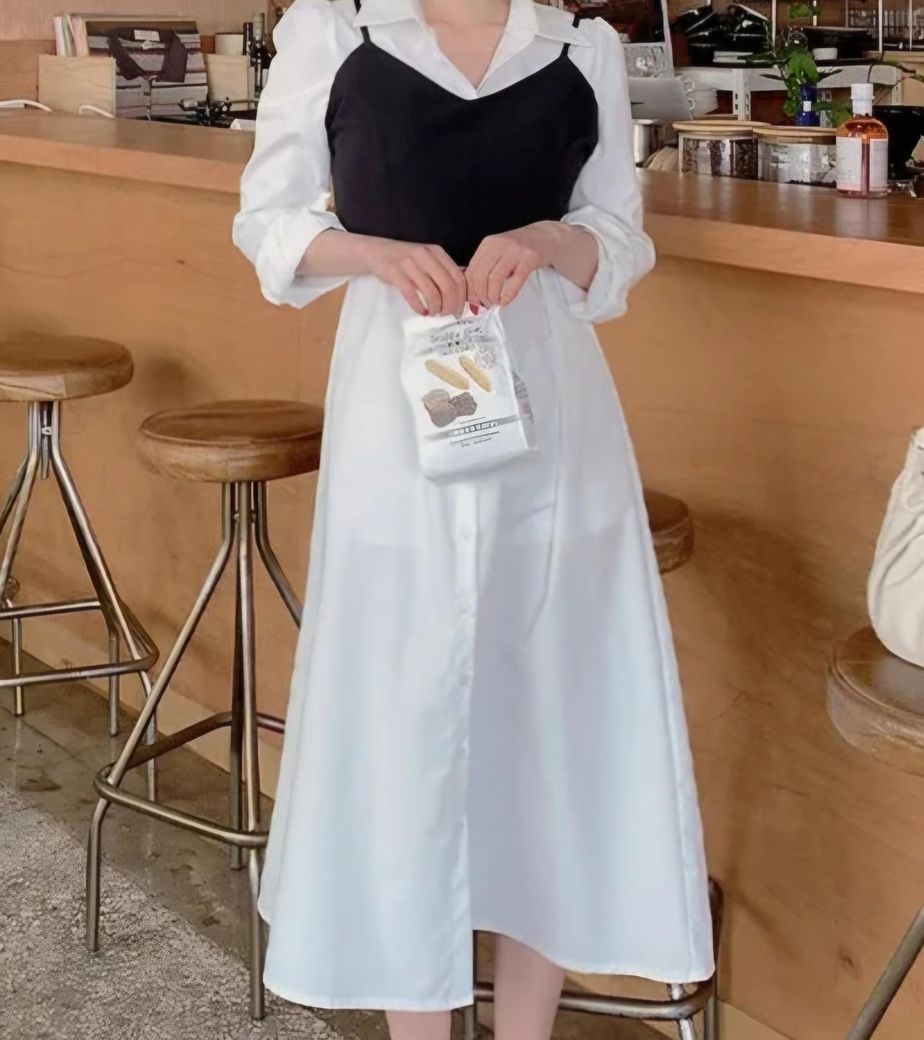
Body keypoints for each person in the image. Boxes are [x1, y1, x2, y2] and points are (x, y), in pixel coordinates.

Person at [233, 2, 714, 1039]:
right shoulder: (339, 34)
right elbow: (267, 222)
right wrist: (373, 255)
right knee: (404, 718)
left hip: (552, 423)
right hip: (394, 421)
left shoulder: (580, 48)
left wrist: (549, 239)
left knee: (553, 716)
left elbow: (618, 240)